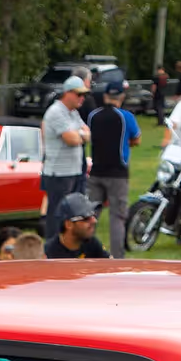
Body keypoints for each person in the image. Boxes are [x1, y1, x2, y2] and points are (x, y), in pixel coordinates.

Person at [87, 76, 139, 258]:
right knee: (117, 218)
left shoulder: (93, 116)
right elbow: (136, 139)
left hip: (96, 171)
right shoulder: (126, 117)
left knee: (90, 215)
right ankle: (117, 258)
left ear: (106, 96)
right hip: (118, 173)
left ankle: (86, 252)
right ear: (121, 97)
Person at [41, 75, 89, 240]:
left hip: (73, 172)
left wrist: (80, 135)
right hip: (58, 174)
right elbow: (71, 139)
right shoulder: (56, 112)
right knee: (57, 214)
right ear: (67, 93)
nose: (82, 98)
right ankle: (52, 248)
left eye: (84, 95)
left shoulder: (73, 113)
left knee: (72, 214)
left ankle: (67, 246)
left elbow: (87, 133)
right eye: (78, 94)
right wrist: (80, 135)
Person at [44, 190, 108, 258]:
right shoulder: (49, 254)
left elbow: (111, 265)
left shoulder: (92, 244)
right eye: (86, 218)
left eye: (93, 215)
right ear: (69, 224)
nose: (94, 221)